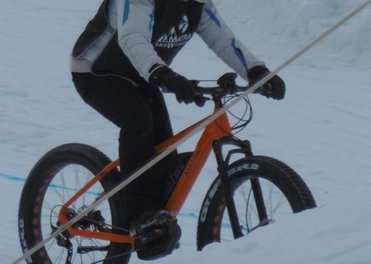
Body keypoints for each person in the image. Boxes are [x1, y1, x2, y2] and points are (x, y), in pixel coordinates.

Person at [70, 0, 285, 262]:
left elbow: (223, 39)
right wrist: (164, 75)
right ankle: (139, 215)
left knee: (164, 145)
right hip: (96, 72)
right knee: (138, 121)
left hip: (141, 74)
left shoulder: (197, 4)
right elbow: (132, 38)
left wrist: (255, 70)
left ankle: (152, 214)